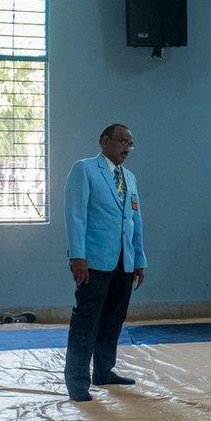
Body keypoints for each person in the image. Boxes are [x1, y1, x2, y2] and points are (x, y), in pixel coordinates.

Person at [63, 123, 146, 402]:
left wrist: (139, 259)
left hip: (124, 261)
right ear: (104, 141)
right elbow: (76, 216)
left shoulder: (130, 178)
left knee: (113, 319)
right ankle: (77, 382)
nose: (126, 147)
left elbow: (135, 221)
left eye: (130, 143)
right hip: (94, 261)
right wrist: (77, 256)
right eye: (121, 141)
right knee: (86, 321)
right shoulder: (85, 169)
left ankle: (103, 370)